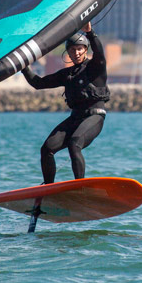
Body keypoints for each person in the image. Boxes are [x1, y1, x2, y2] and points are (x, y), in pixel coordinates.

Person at [21, 21, 109, 183]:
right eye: (72, 50)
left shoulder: (96, 67)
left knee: (74, 144)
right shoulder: (66, 74)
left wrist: (90, 33)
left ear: (85, 50)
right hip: (75, 118)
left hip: (95, 116)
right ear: (68, 52)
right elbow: (38, 83)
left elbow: (100, 53)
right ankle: (48, 188)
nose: (76, 53)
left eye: (79, 49)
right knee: (47, 148)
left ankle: (79, 186)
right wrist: (23, 65)